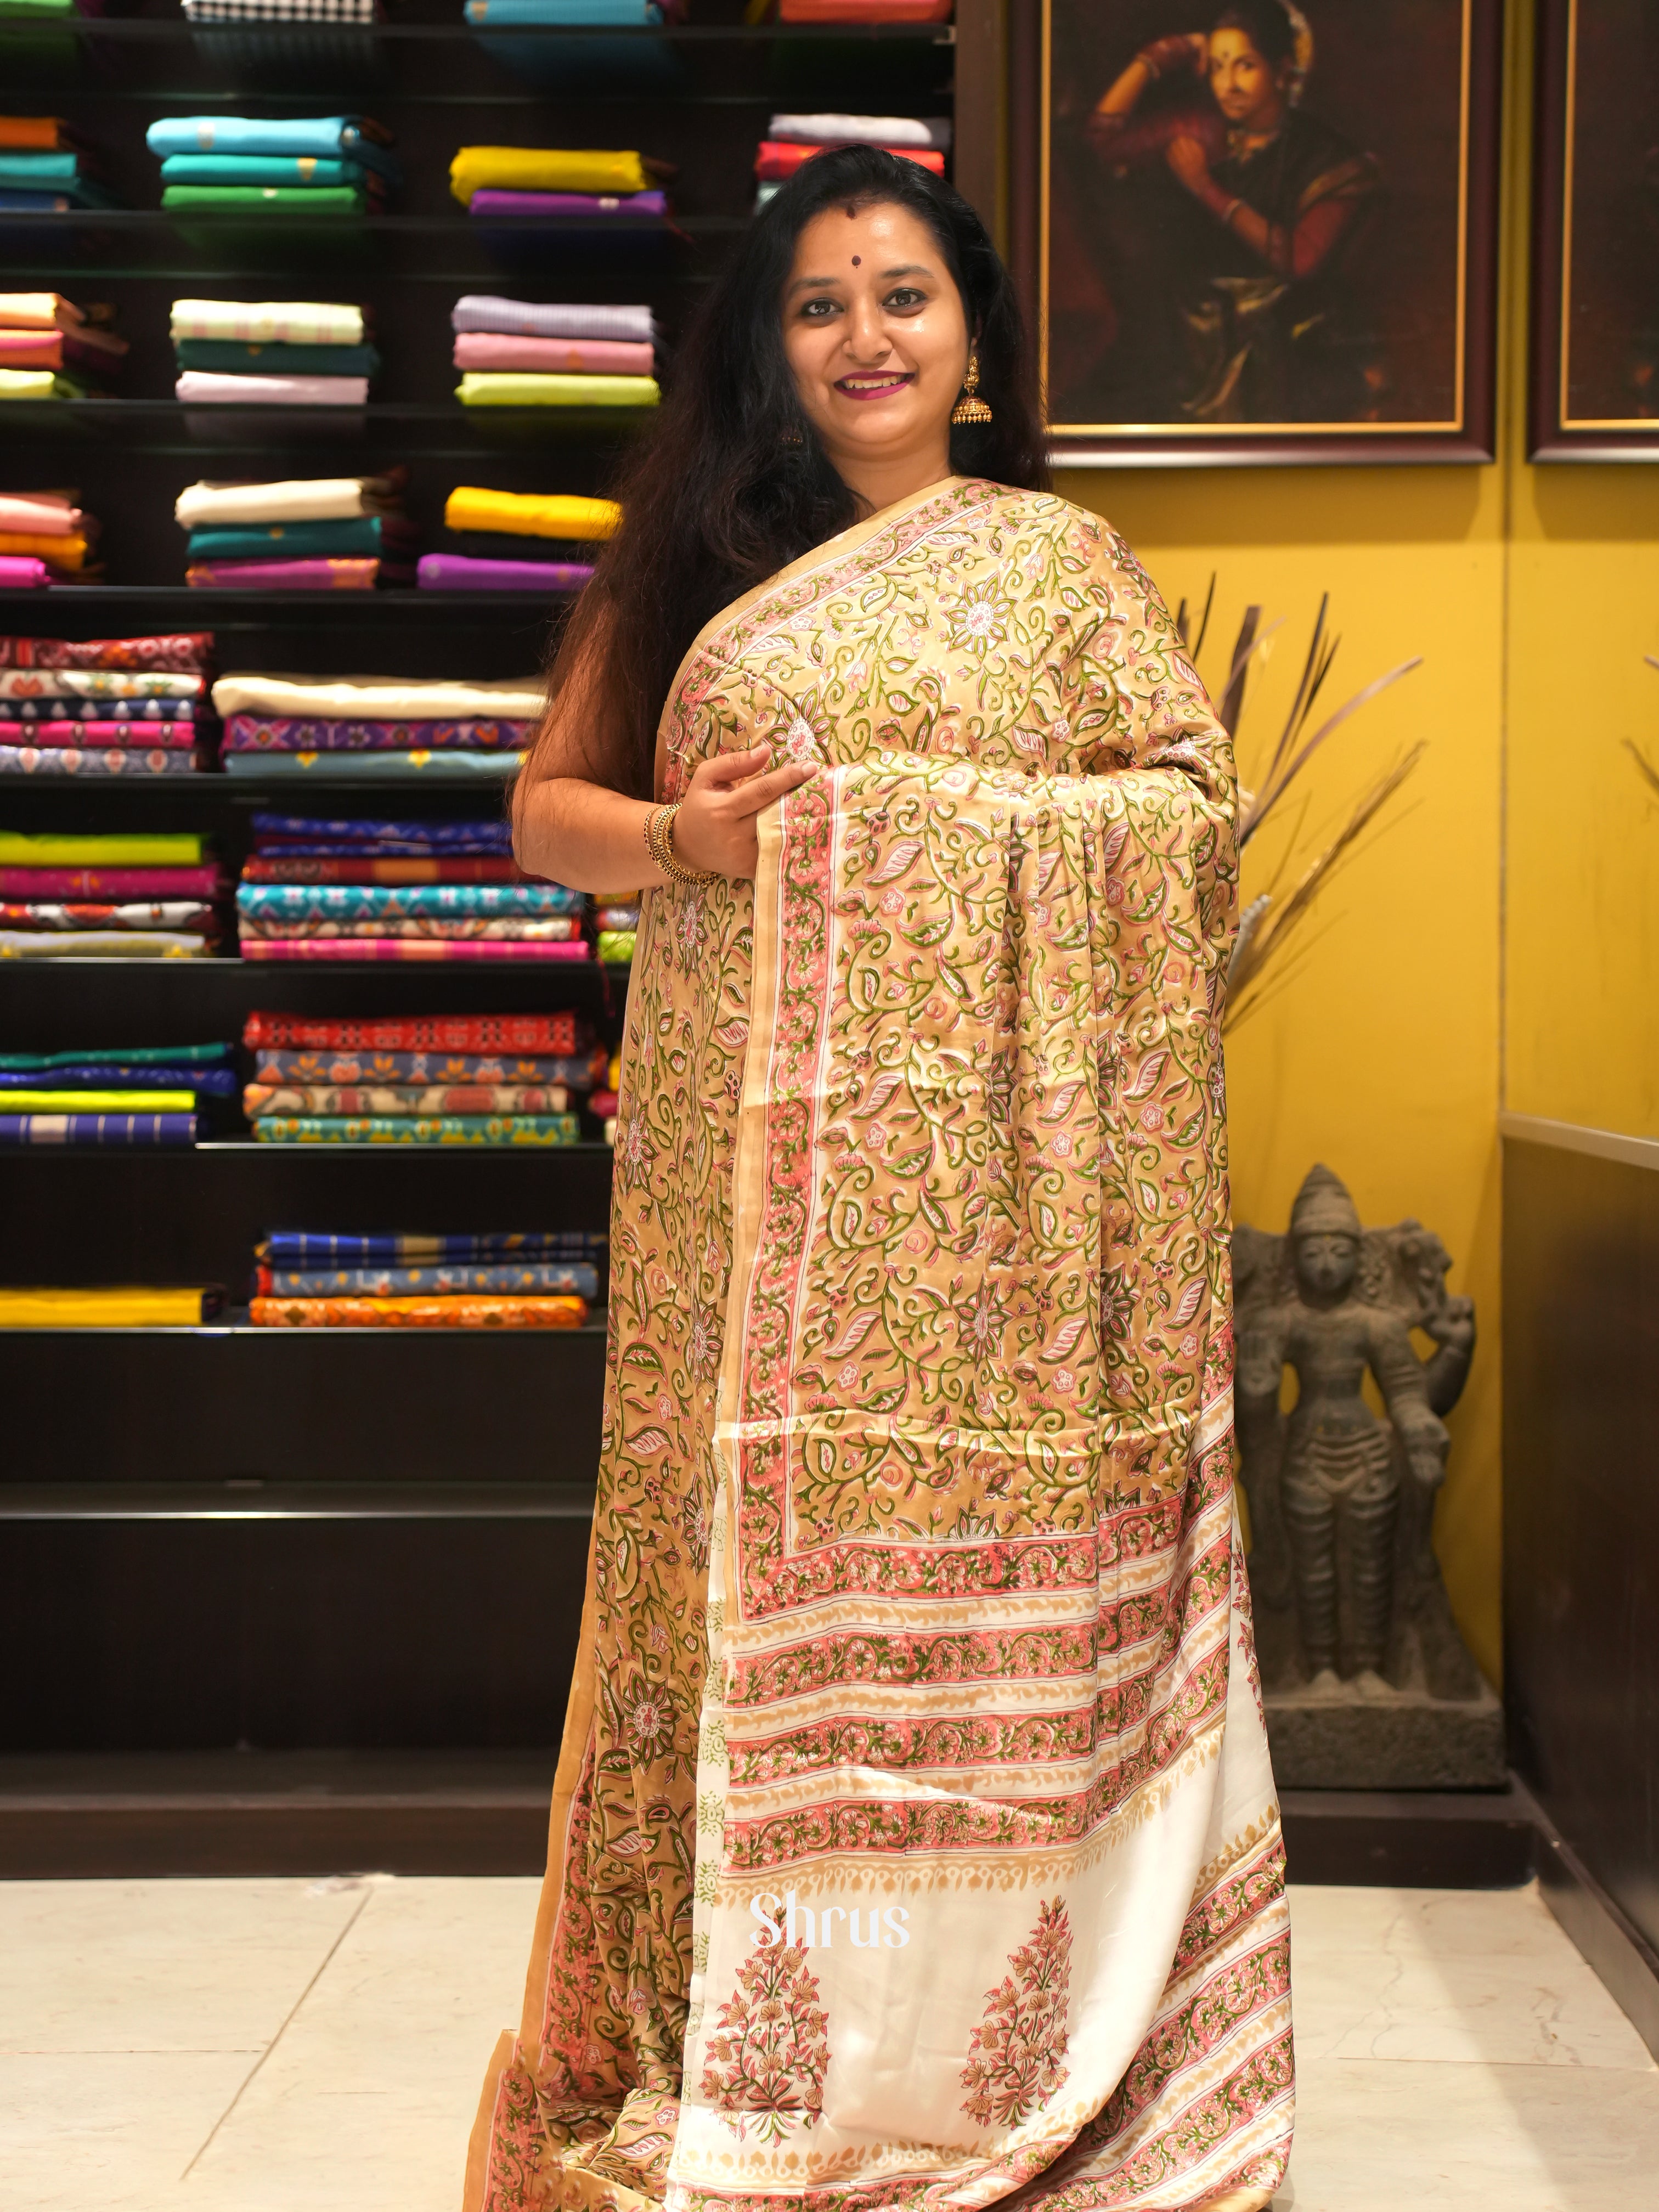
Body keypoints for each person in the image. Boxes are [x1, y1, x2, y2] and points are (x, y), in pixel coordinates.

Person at [466, 144, 1291, 2212]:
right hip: (734, 1215)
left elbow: (1188, 823)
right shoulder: (688, 558)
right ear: (769, 340)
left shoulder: (1063, 566)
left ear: (974, 339)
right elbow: (547, 816)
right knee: (703, 1595)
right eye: (819, 301)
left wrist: (912, 818)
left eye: (902, 295)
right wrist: (693, 845)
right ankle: (712, 2037)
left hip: (1001, 1250)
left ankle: (1003, 2048)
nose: (862, 337)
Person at [1074, 0, 1380, 423]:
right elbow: (1100, 140)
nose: (1228, 84)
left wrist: (1206, 188)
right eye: (1217, 66)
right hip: (1188, 342)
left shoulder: (1327, 158)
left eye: (1245, 66)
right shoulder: (1202, 130)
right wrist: (1163, 54)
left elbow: (1299, 259)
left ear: (1282, 69)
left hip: (1281, 347)